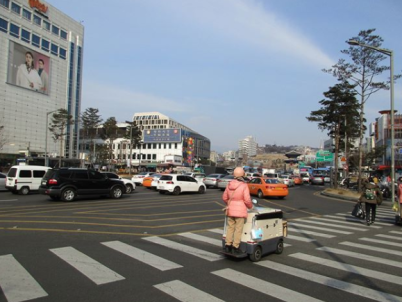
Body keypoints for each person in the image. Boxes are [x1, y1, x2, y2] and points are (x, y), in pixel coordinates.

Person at [222, 167, 253, 254]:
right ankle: (235, 247)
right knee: (238, 229)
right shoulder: (244, 185)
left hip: (230, 210)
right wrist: (250, 207)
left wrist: (229, 204)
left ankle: (228, 245)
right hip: (240, 211)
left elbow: (224, 197)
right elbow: (247, 200)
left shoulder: (229, 184)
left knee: (230, 228)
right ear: (242, 175)